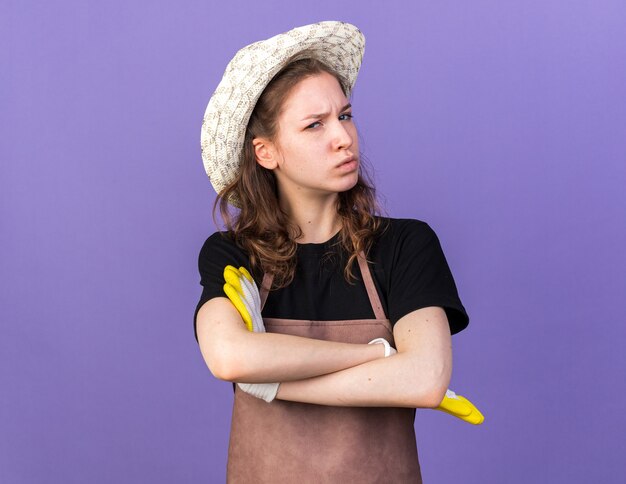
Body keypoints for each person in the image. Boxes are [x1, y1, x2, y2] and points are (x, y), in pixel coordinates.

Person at [194, 21, 483, 483]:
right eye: (314, 125)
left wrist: (269, 379)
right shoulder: (233, 253)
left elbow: (425, 380)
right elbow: (229, 359)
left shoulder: (406, 245)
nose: (343, 138)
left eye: (344, 116)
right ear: (266, 152)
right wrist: (376, 356)